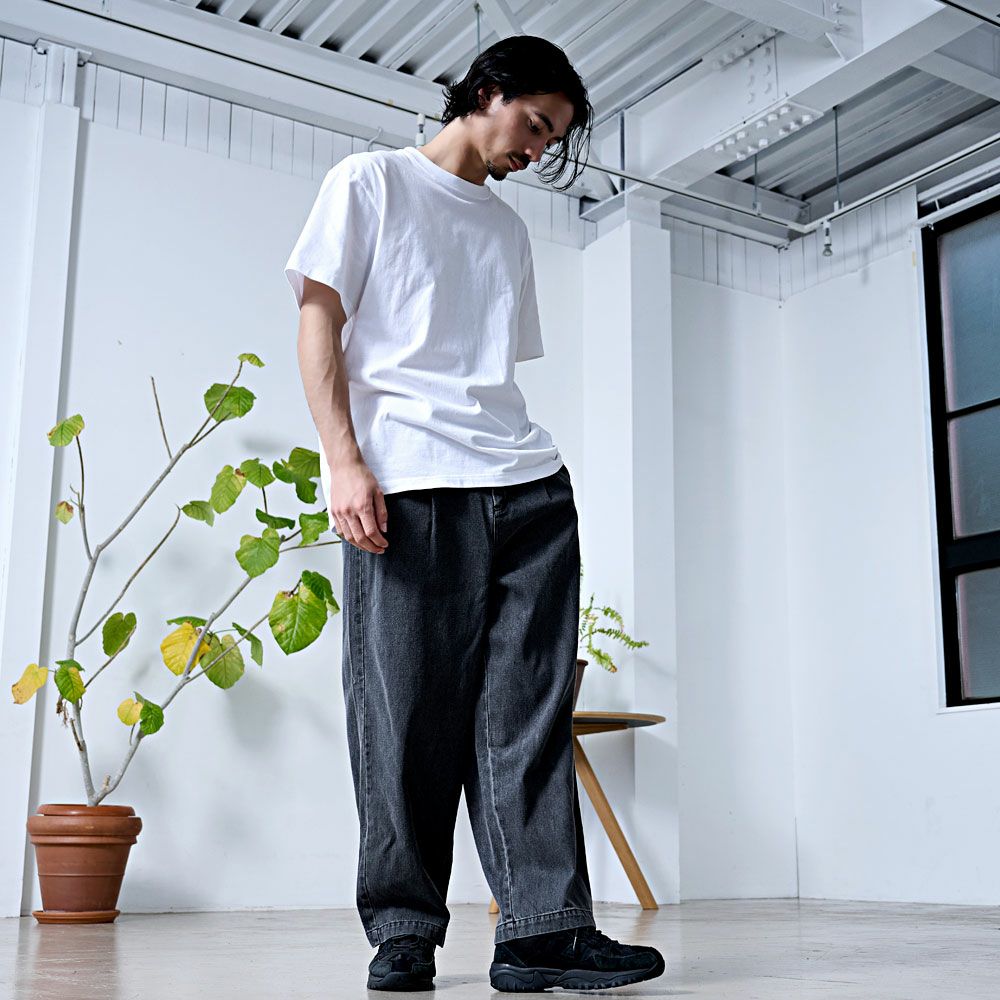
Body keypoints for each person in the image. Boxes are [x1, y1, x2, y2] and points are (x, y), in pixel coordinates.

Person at [284, 34, 665, 993]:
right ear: (487, 91)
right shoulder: (370, 182)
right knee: (403, 720)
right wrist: (343, 461)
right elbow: (318, 322)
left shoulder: (506, 231)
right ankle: (405, 931)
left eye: (551, 139)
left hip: (527, 486)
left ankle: (540, 934)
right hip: (409, 484)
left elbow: (483, 370)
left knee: (528, 718)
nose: (536, 150)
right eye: (533, 125)